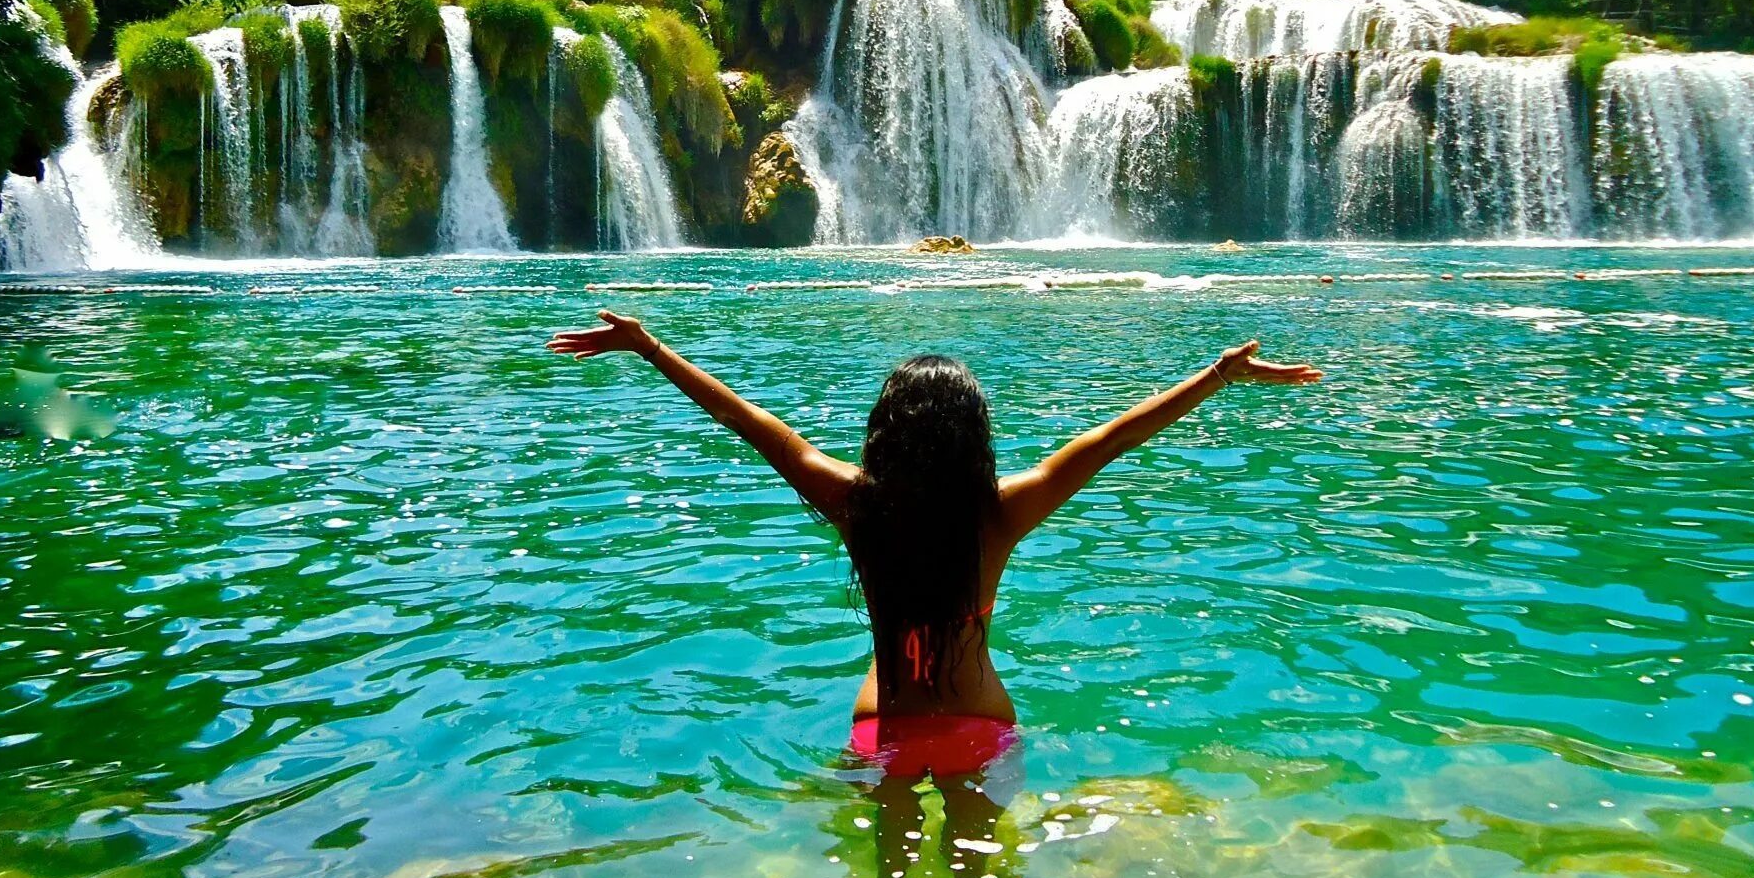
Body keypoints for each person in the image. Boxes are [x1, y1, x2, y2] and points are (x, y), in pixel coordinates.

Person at [546, 310, 1321, 782]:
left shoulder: (856, 506)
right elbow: (1109, 440)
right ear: (973, 437)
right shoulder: (1000, 514)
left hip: (881, 731)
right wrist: (1218, 374)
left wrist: (650, 349)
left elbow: (755, 429)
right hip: (980, 729)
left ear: (885, 432)